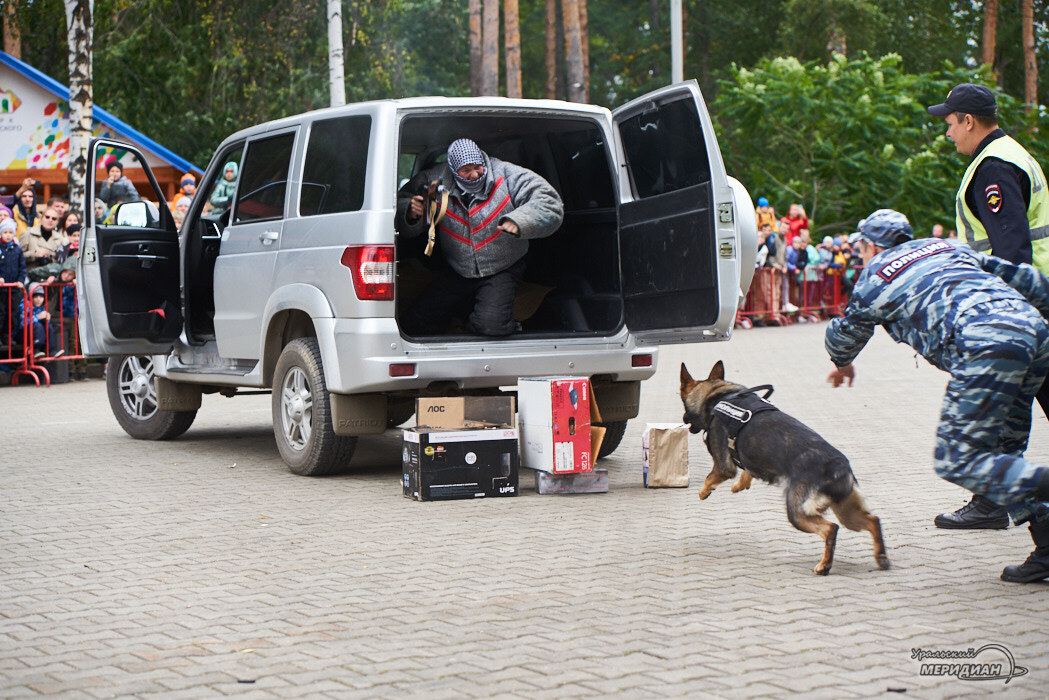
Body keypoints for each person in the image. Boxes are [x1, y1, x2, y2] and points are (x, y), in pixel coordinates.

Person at [826, 209, 1049, 582]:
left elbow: (843, 336)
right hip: (1032, 332)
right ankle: (1046, 547)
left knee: (957, 460)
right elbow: (1026, 279)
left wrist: (842, 362)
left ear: (869, 245)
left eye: (860, 246)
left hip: (984, 343)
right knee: (1004, 453)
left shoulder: (875, 276)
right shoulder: (944, 246)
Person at [927, 82, 1049, 529]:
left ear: (969, 122)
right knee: (1003, 406)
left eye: (950, 123)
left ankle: (993, 502)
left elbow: (1011, 248)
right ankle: (993, 501)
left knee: (995, 401)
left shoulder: (993, 168)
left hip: (1027, 306)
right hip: (1036, 301)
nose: (947, 133)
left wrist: (1000, 311)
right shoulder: (1010, 154)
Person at [395, 138, 563, 336]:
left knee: (490, 325)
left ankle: (490, 322)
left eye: (478, 167)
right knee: (412, 323)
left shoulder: (507, 174)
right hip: (458, 269)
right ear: (453, 169)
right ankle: (460, 319)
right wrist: (410, 210)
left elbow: (549, 202)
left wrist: (520, 221)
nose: (474, 175)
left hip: (503, 267)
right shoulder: (434, 180)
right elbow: (398, 200)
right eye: (466, 171)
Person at [57, 257, 86, 379]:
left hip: (79, 315)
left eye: (71, 274)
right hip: (68, 315)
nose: (67, 276)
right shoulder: (63, 285)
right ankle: (72, 371)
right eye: (66, 273)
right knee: (72, 344)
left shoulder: (79, 283)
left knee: (81, 343)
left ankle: (82, 370)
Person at [19, 207, 66, 274]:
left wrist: (50, 258)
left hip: (51, 276)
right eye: (47, 217)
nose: (50, 220)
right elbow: (17, 256)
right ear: (41, 218)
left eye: (54, 219)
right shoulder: (28, 233)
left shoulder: (60, 238)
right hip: (30, 274)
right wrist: (34, 254)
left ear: (57, 222)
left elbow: (61, 260)